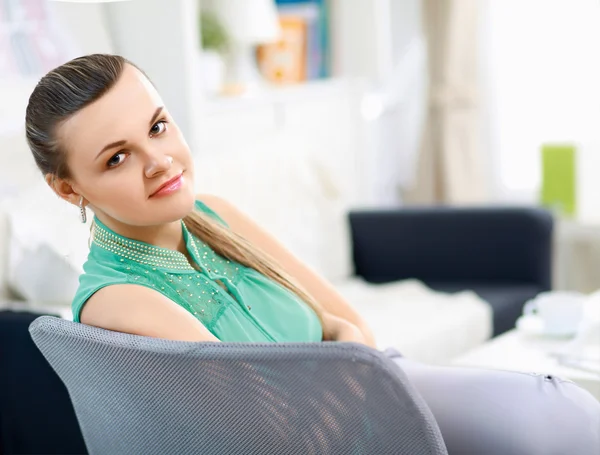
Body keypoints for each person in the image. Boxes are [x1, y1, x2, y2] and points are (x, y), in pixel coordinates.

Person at [25, 54, 600, 454]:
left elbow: (351, 327)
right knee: (552, 418)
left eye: (157, 127)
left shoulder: (214, 214)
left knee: (558, 406)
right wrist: (342, 348)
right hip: (353, 433)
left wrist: (344, 348)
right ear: (69, 188)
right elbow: (273, 426)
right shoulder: (120, 299)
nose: (159, 161)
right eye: (116, 158)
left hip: (384, 388)